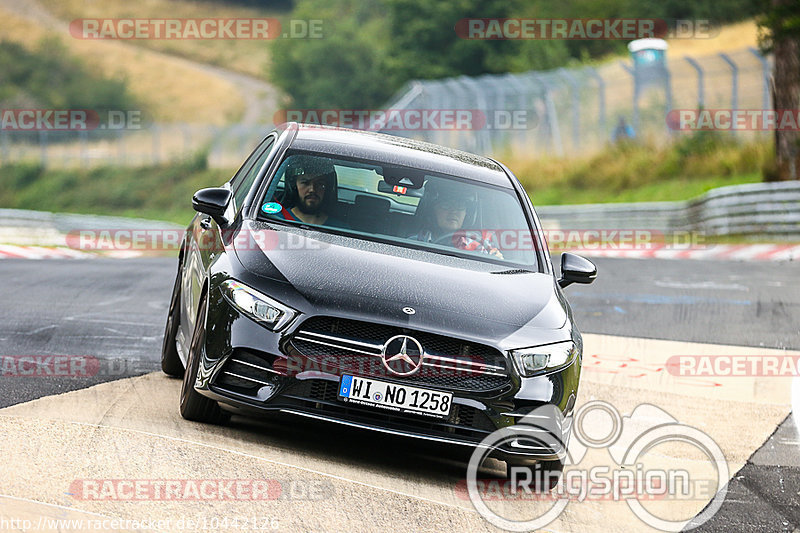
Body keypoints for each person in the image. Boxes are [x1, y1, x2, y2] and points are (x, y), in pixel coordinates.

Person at [412, 180, 503, 259]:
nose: (453, 212)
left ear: (466, 215)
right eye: (446, 206)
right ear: (433, 211)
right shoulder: (416, 241)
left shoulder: (480, 246)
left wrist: (497, 258)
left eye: (460, 207)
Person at [275, 155, 349, 228]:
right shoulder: (276, 220)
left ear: (327, 189)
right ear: (294, 186)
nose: (312, 190)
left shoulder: (340, 229)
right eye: (305, 183)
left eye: (320, 184)